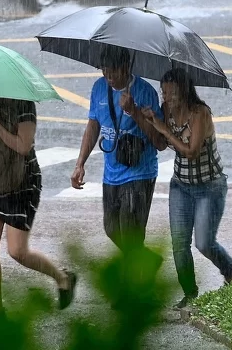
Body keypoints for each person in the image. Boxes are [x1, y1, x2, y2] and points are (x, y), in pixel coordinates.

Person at [0, 96, 77, 322]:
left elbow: (23, 146)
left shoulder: (24, 105)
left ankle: (63, 278)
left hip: (21, 182)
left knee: (17, 251)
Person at [140, 68, 232, 309]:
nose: (166, 98)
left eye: (172, 93)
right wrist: (144, 118)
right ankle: (190, 292)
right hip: (181, 186)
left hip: (210, 186)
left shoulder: (200, 114)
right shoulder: (166, 110)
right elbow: (160, 144)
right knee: (179, 243)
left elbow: (191, 152)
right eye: (163, 92)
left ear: (185, 91)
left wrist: (164, 129)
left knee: (204, 243)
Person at [71, 47, 167, 249]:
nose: (109, 76)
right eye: (104, 71)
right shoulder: (99, 88)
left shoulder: (145, 92)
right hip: (111, 172)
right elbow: (93, 125)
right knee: (112, 228)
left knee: (130, 233)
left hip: (139, 173)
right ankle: (145, 263)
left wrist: (134, 112)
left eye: (113, 71)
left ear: (126, 67)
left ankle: (135, 277)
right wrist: (80, 163)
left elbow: (160, 142)